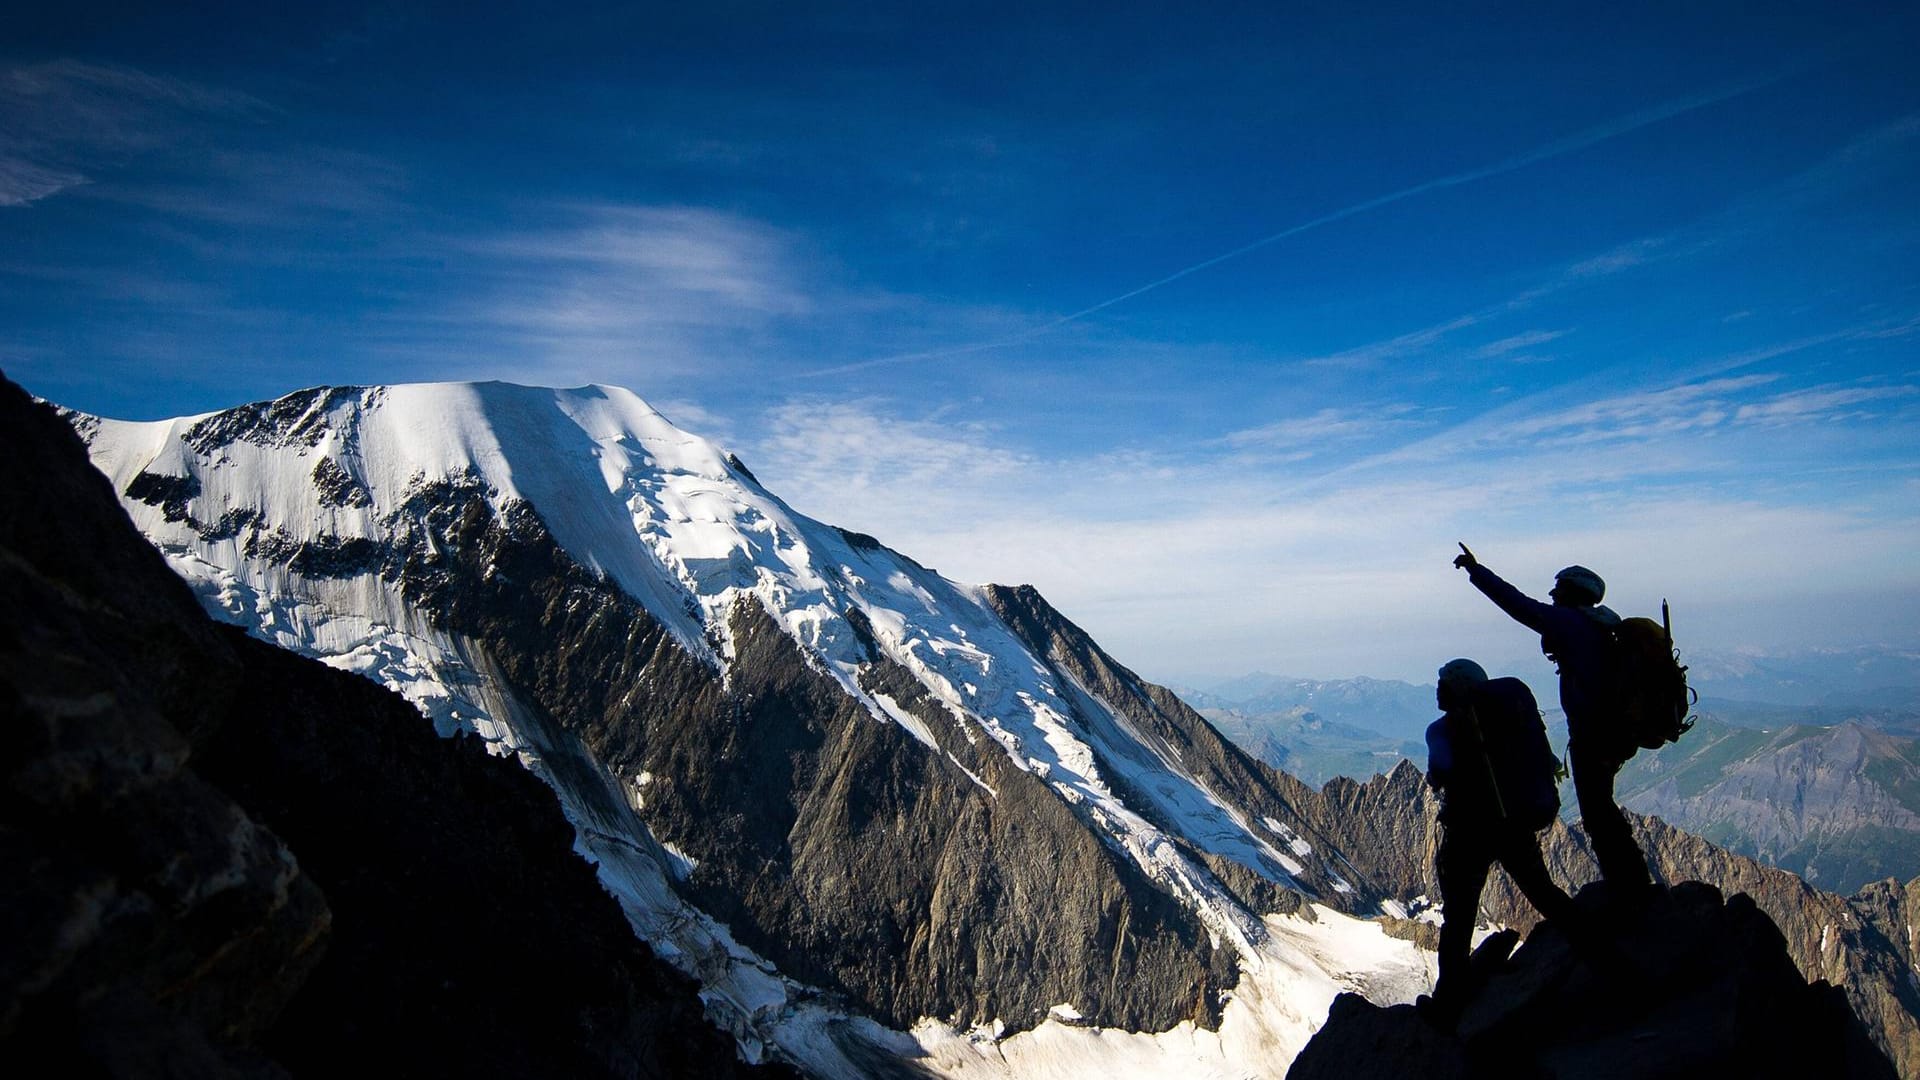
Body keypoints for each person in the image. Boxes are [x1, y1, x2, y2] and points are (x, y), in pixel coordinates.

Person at [1452, 544, 1653, 896]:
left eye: (1558, 589)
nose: (1552, 594)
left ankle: (1629, 885)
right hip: (1614, 731)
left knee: (1596, 811)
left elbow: (1518, 605)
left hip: (1594, 733)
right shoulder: (1599, 626)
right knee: (1600, 806)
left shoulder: (1570, 623)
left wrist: (1476, 571)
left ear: (1572, 593)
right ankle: (1631, 880)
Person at [1421, 658, 1580, 1024]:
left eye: (1443, 683)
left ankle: (1447, 1005)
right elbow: (1545, 761)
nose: (1438, 689)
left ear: (1458, 687)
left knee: (1459, 917)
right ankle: (1594, 943)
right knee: (1542, 892)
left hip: (1469, 833)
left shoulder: (1440, 730)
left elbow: (1440, 770)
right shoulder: (1509, 722)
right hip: (1514, 824)